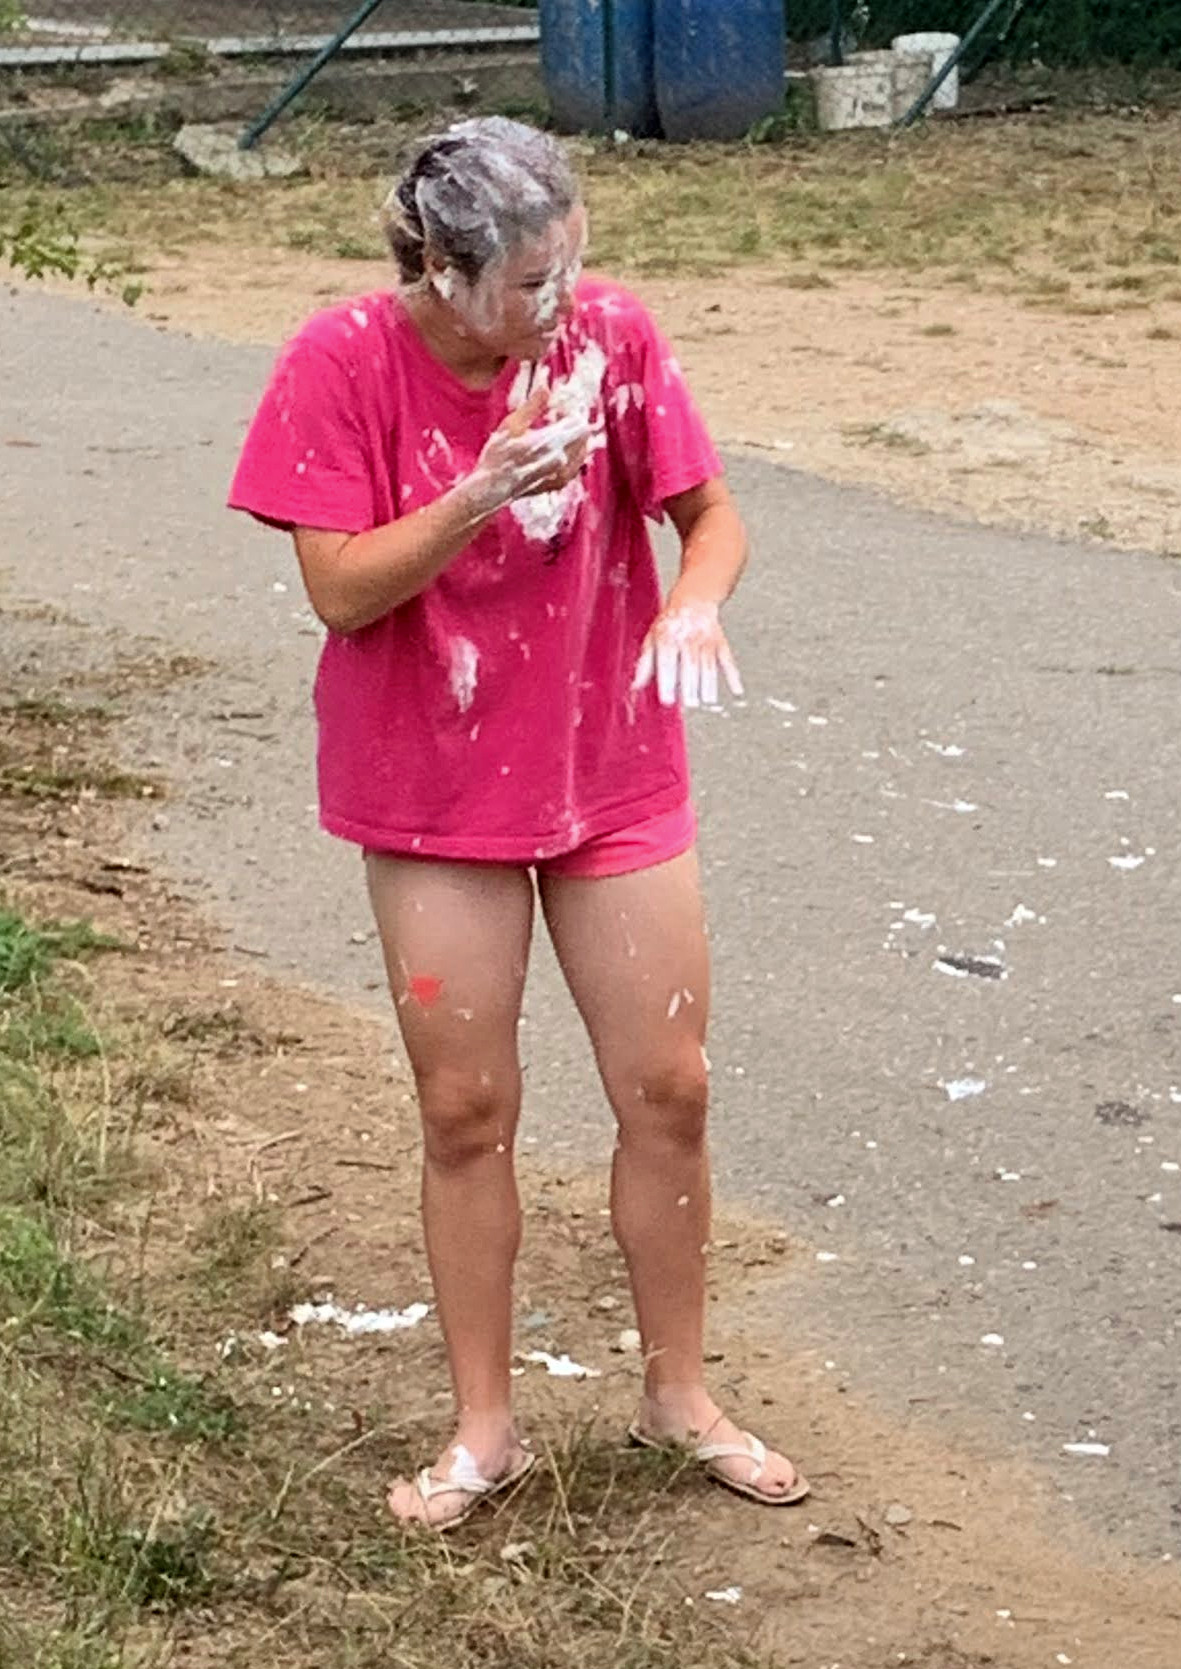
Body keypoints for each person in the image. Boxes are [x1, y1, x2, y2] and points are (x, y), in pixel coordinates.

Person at [229, 116, 808, 1531]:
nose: (561, 302)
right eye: (529, 281)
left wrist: (694, 601)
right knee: (465, 1107)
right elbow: (342, 592)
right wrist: (482, 488)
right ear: (441, 268)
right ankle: (485, 1431)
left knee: (669, 1087)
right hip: (430, 780)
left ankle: (680, 1394)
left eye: (571, 267)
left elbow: (712, 515)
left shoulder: (614, 336)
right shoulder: (340, 360)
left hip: (608, 763)